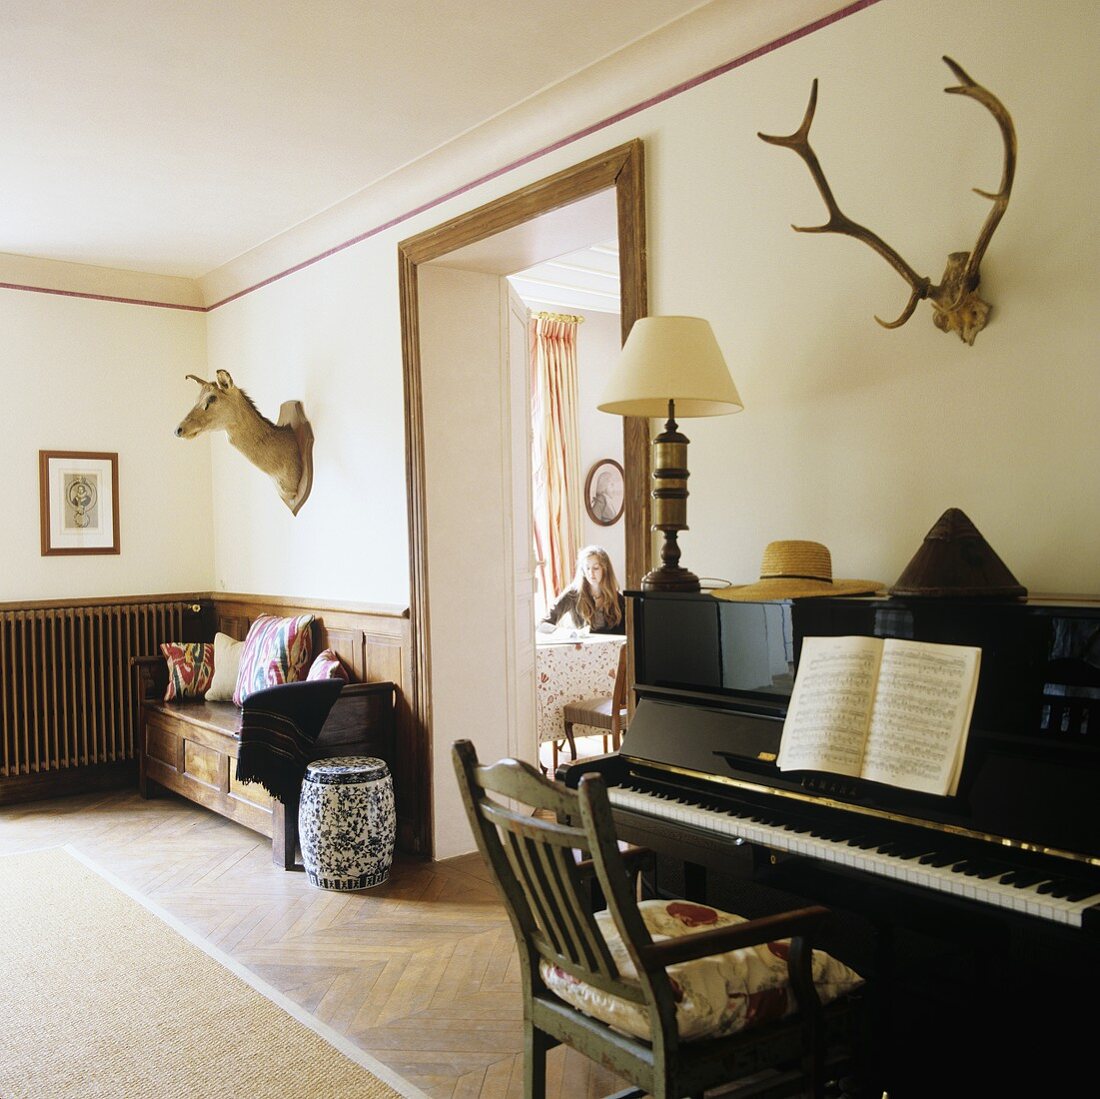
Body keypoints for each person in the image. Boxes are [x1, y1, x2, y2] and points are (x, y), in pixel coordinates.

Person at [541, 546, 625, 635]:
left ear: (605, 569)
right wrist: (567, 633)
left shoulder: (617, 598)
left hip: (612, 648)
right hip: (582, 648)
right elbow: (543, 624)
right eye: (587, 568)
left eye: (596, 568)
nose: (591, 573)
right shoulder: (573, 594)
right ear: (582, 570)